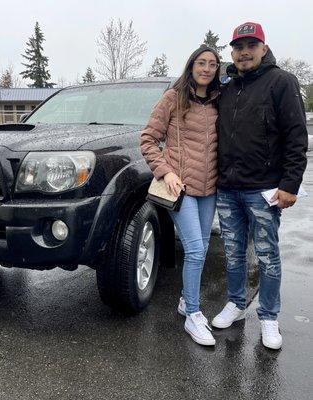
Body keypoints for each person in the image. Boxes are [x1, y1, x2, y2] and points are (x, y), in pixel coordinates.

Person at [212, 22, 308, 350]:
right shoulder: (225, 86)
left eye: (251, 45)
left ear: (263, 48)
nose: (244, 52)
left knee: (267, 255)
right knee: (234, 253)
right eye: (238, 47)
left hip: (263, 189)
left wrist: (291, 183)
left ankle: (268, 315)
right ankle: (237, 304)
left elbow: (297, 137)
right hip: (227, 188)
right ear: (232, 52)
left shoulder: (282, 82)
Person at [140, 46, 220, 346]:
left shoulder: (217, 101)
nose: (207, 68)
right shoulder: (173, 98)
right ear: (191, 66)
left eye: (213, 64)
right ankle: (193, 315)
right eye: (202, 62)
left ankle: (187, 300)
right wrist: (165, 171)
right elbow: (148, 138)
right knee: (197, 250)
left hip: (209, 189)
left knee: (197, 251)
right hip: (180, 189)